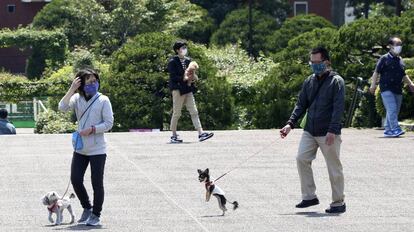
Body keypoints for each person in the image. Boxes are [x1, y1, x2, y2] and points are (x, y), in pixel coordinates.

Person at [280, 47, 346, 214]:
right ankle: (309, 196)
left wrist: (332, 130)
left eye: (317, 62)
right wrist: (290, 124)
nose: (314, 65)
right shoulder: (309, 81)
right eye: (312, 62)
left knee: (334, 167)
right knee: (301, 158)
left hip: (328, 132)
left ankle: (338, 202)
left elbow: (338, 109)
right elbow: (301, 104)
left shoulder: (336, 81)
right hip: (310, 130)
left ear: (327, 62)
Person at [59, 68, 114, 226]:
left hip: (97, 149)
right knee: (76, 179)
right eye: (89, 82)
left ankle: (96, 215)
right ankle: (87, 207)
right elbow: (62, 107)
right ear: (81, 84)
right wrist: (71, 89)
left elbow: (109, 123)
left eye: (95, 81)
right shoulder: (76, 98)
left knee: (97, 182)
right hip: (81, 148)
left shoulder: (103, 100)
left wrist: (93, 129)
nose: (93, 84)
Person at [167, 40, 213, 143]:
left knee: (194, 111)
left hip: (188, 89)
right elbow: (173, 77)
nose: (185, 50)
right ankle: (173, 135)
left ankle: (201, 133)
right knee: (177, 113)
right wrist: (184, 78)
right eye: (183, 48)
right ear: (177, 50)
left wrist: (193, 77)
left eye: (185, 48)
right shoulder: (172, 62)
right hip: (178, 89)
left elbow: (192, 72)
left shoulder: (188, 61)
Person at [369, 37, 414, 137]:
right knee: (392, 108)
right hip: (386, 88)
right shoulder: (384, 58)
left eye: (400, 44)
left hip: (398, 89)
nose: (399, 47)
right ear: (390, 46)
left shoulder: (400, 60)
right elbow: (376, 72)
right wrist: (373, 85)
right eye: (397, 44)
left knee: (394, 111)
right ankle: (395, 129)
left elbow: (403, 74)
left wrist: (410, 84)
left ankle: (388, 130)